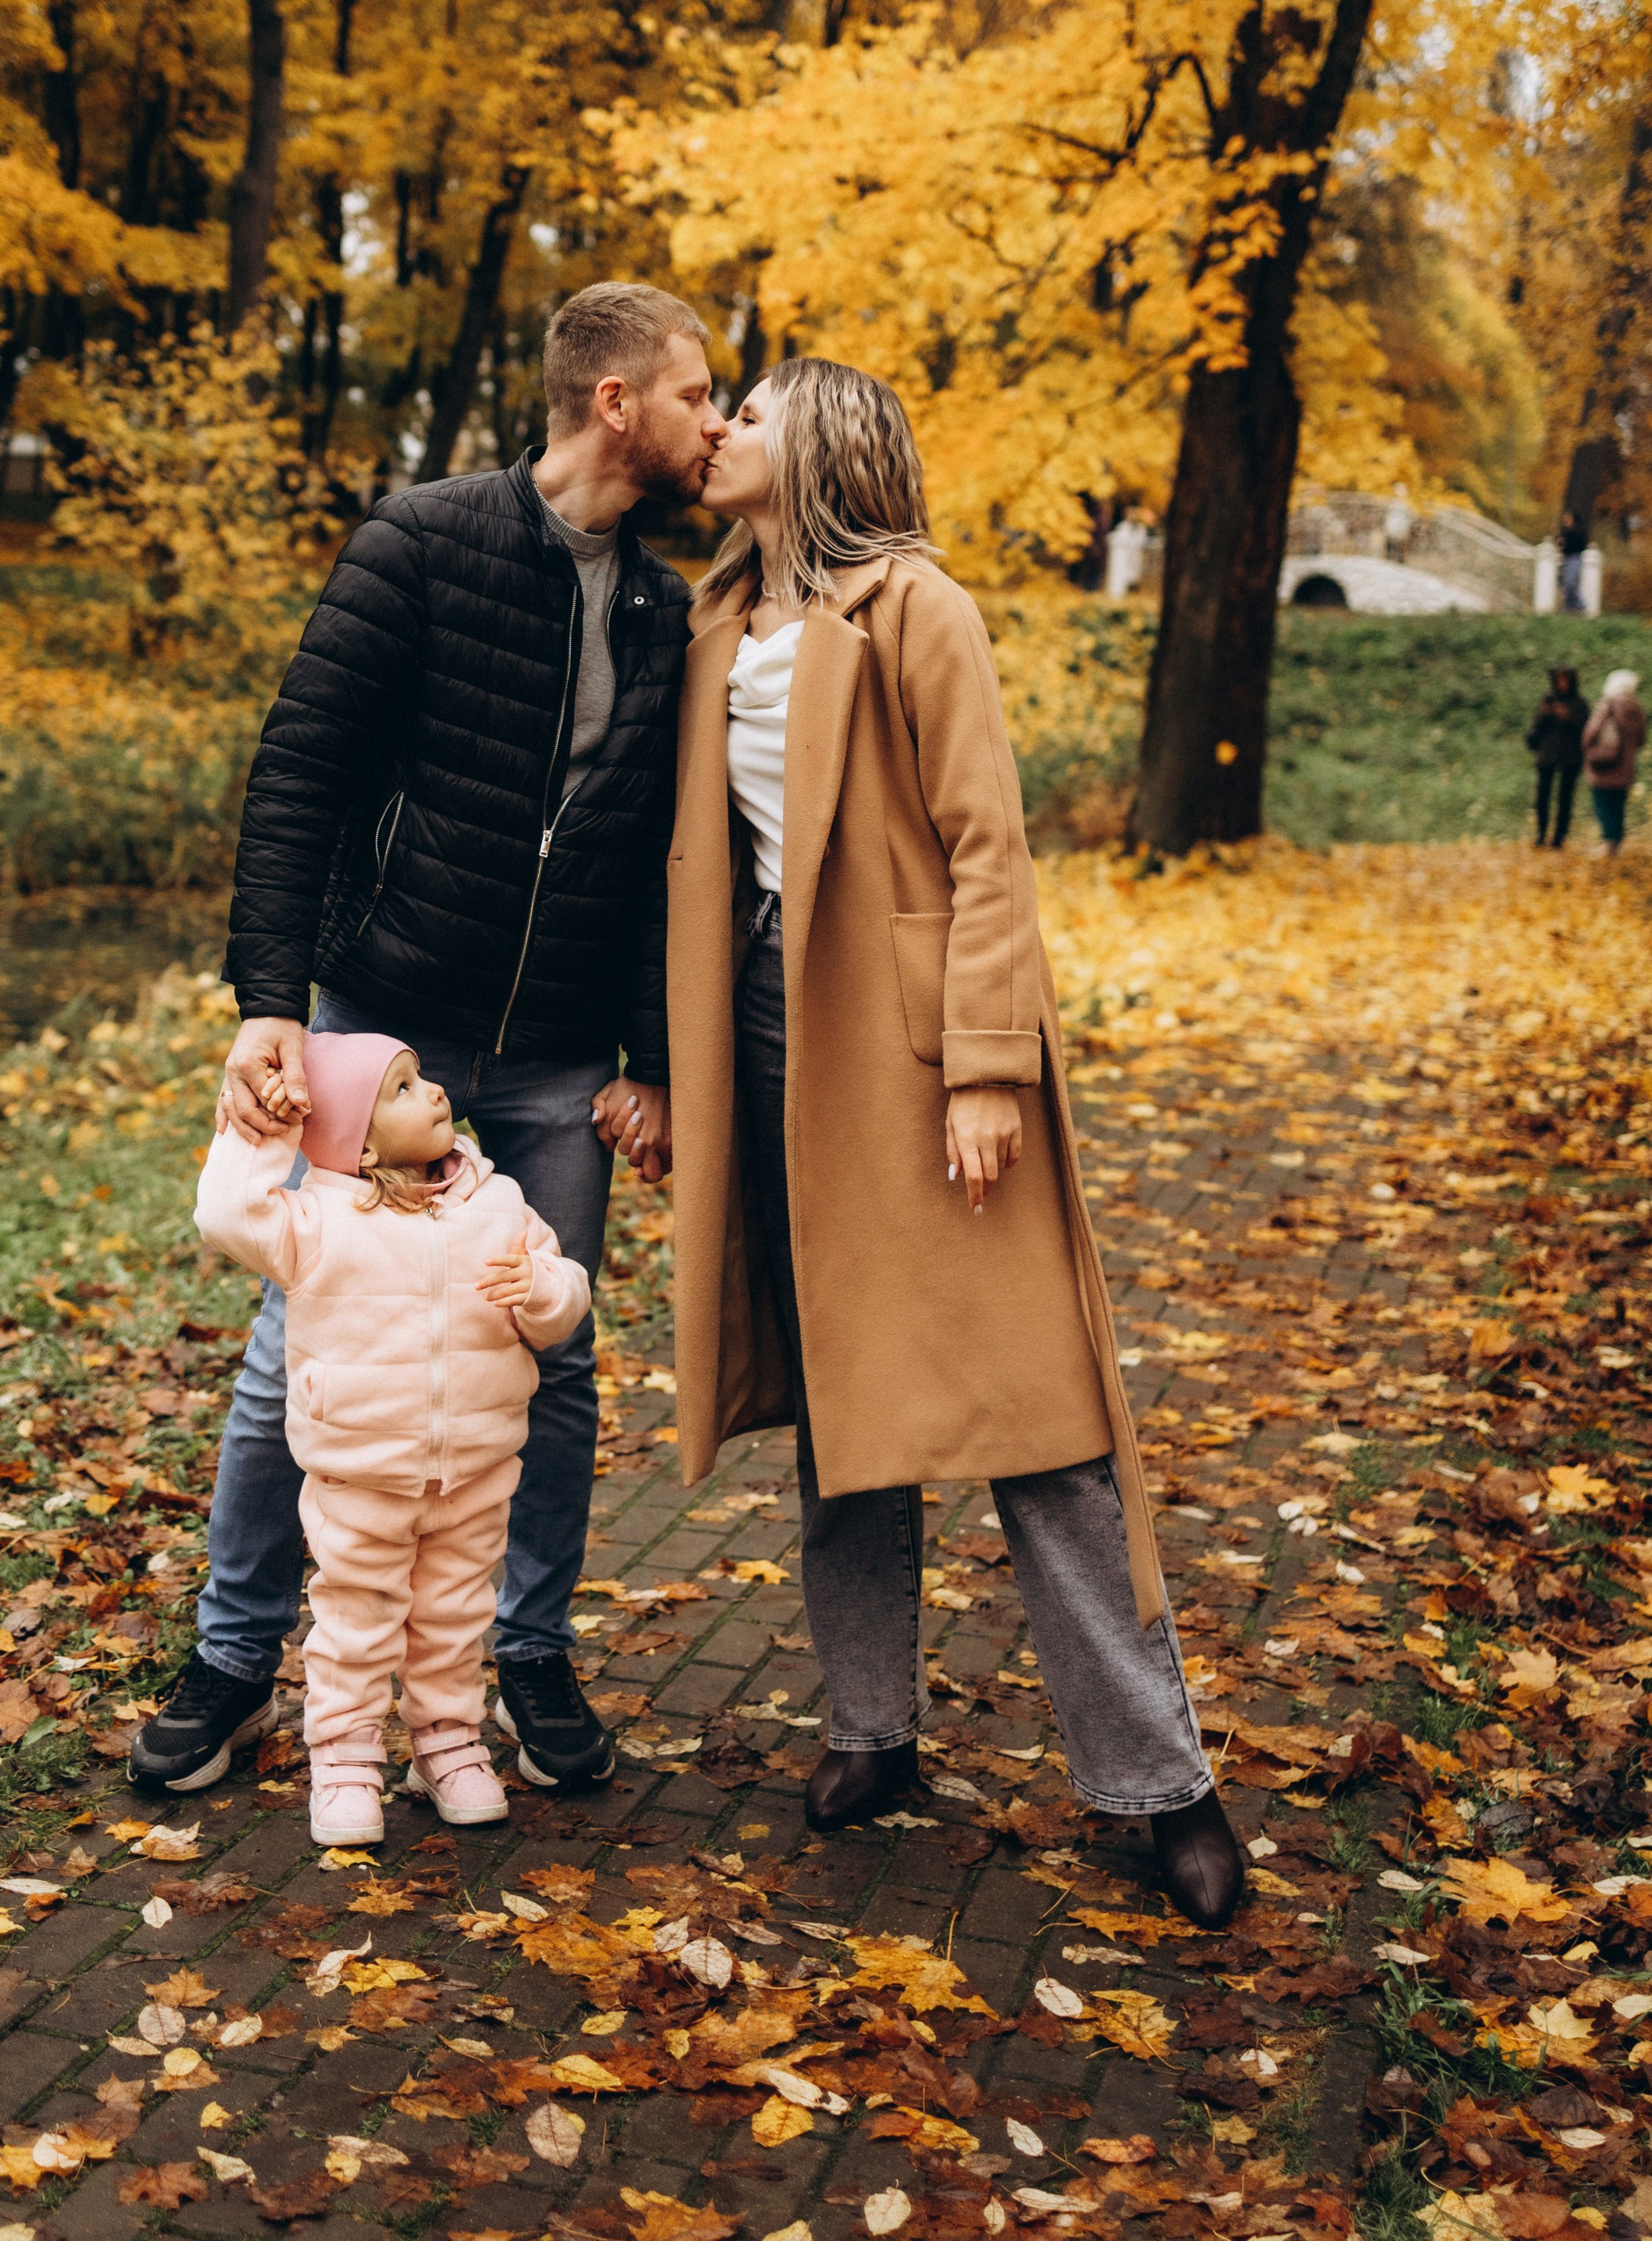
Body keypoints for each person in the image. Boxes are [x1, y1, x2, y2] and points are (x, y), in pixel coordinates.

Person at [665, 356, 1244, 1931]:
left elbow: (989, 847)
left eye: (753, 411)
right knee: (850, 1407)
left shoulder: (918, 609)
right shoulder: (716, 618)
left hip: (913, 1052)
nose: (722, 430)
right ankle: (872, 1730)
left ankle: (1156, 1782)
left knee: (1034, 1419)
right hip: (772, 1036)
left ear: (828, 447)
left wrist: (983, 1070)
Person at [129, 281, 724, 1798]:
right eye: (695, 394)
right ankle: (233, 1657)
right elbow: (299, 773)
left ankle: (523, 1653)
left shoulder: (669, 608)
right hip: (382, 1023)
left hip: (558, 1064)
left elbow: (668, 848)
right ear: (615, 404)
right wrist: (272, 1000)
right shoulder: (420, 540)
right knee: (298, 1343)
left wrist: (644, 1054)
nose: (712, 424)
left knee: (555, 1344)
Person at [194, 1031, 590, 1844]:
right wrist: (266, 1135)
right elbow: (225, 1214)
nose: (437, 1091)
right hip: (359, 1476)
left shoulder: (499, 1202)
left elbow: (565, 1301)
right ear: (360, 1141)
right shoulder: (313, 1223)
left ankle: (447, 1745)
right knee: (355, 1622)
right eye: (403, 1089)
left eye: (423, 1076)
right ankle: (342, 1760)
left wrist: (542, 1288)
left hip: (476, 1472)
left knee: (452, 1617)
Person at [1583, 668, 1646, 856]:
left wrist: (1589, 745)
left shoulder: (1608, 706)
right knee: (1618, 806)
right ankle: (1616, 842)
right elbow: (1642, 740)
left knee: (1602, 804)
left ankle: (1608, 842)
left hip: (1604, 765)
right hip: (1626, 767)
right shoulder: (1637, 709)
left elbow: (1590, 733)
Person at [1526, 666, 1587, 849]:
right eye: (1558, 679)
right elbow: (1535, 729)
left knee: (1565, 798)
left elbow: (1585, 729)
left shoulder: (1579, 703)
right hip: (1547, 755)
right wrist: (1545, 714)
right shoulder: (1548, 700)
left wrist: (1568, 716)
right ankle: (1541, 833)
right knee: (1543, 795)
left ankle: (1559, 837)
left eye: (1565, 679)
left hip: (1571, 756)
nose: (1562, 683)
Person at [1558, 507, 1590, 615]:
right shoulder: (1565, 532)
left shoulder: (1578, 531)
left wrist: (1565, 545)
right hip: (1567, 559)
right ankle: (1568, 608)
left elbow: (1579, 545)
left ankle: (1582, 605)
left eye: (1568, 518)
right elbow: (1562, 547)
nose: (1566, 520)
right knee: (1567, 584)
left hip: (1575, 558)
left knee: (1570, 583)